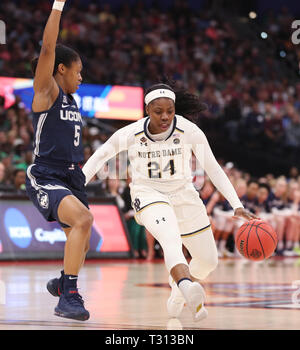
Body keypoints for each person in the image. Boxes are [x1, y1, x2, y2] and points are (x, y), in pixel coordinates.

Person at [82, 82, 258, 322]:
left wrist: (236, 203)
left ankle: (177, 292)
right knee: (170, 236)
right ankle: (186, 284)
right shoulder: (130, 134)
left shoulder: (189, 131)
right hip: (148, 194)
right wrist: (76, 186)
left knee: (208, 261)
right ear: (146, 111)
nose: (165, 117)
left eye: (170, 111)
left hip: (184, 194)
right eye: (158, 112)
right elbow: (100, 156)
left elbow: (213, 168)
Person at [25, 0, 92, 321]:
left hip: (72, 176)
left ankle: (63, 281)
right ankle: (69, 296)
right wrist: (58, 5)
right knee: (83, 221)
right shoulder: (47, 91)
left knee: (82, 243)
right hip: (46, 173)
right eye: (78, 71)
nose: (81, 77)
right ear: (61, 69)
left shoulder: (72, 101)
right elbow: (49, 47)